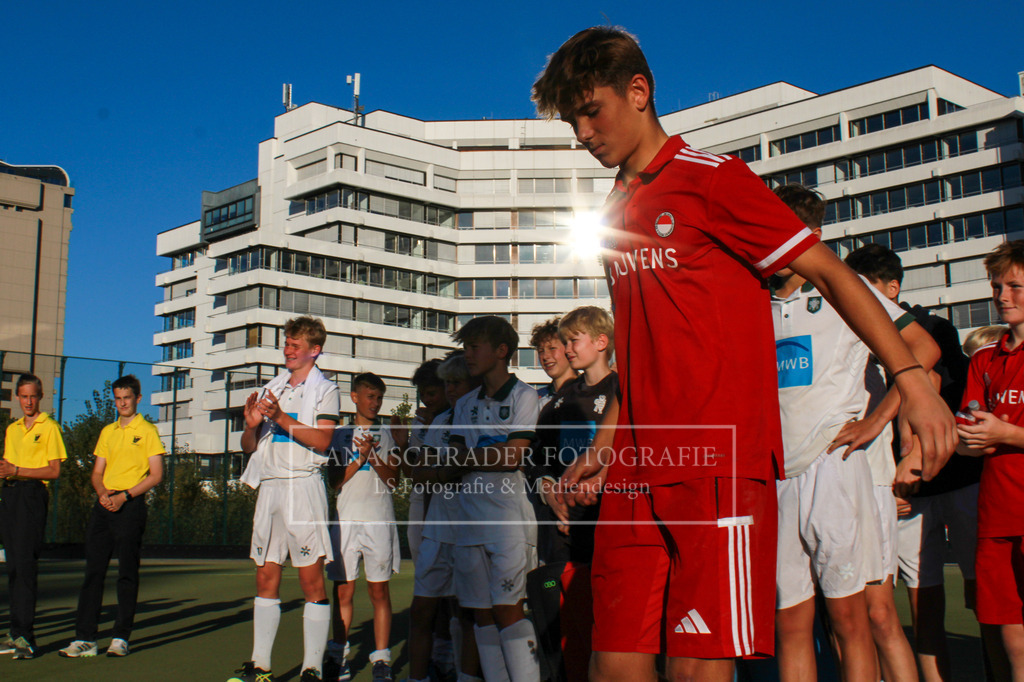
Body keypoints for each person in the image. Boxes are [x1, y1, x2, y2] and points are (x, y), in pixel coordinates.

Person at [533, 26, 956, 682]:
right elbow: (642, 345)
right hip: (639, 466)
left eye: (591, 111)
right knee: (609, 664)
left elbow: (830, 273)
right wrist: (603, 446)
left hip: (717, 460)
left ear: (638, 91)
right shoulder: (616, 206)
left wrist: (912, 379)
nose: (583, 133)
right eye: (572, 121)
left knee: (696, 670)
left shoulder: (713, 179)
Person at [770, 185, 932, 682]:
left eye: (780, 231)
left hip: (834, 467)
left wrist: (876, 421)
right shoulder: (753, 300)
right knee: (790, 622)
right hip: (776, 472)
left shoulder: (844, 288)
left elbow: (921, 349)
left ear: (811, 237)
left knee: (850, 617)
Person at [845, 243, 984, 682]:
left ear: (891, 288)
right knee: (915, 610)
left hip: (951, 480)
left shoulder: (932, 328)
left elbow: (931, 387)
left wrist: (913, 463)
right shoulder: (852, 335)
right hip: (902, 490)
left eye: (866, 290)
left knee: (981, 596)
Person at [230, 316, 341, 682]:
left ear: (314, 350)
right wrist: (250, 425)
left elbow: (323, 442)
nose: (287, 350)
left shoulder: (326, 389)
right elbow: (250, 447)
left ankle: (312, 669)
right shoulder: (271, 387)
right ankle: (259, 666)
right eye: (287, 343)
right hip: (271, 488)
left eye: (295, 345)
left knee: (311, 582)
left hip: (302, 489)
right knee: (265, 577)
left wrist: (279, 416)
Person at [448, 315, 541, 681]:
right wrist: (484, 455)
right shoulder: (464, 403)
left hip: (508, 523)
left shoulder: (525, 395)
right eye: (466, 347)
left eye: (475, 347)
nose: (468, 354)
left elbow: (513, 456)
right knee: (480, 614)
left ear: (501, 351)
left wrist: (467, 459)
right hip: (469, 523)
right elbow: (455, 460)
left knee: (507, 610)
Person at [528, 305, 618, 682]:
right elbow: (537, 459)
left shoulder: (623, 389)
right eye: (562, 342)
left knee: (612, 623)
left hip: (611, 524)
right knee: (572, 624)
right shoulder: (558, 403)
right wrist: (549, 490)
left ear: (601, 342)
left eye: (571, 341)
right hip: (566, 529)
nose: (565, 349)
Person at [58, 374, 165, 659]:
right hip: (104, 507)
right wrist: (103, 492)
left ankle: (120, 637)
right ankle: (85, 639)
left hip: (130, 507)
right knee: (93, 572)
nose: (121, 403)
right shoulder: (108, 431)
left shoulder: (148, 431)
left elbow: (156, 475)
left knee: (127, 573)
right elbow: (97, 473)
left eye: (126, 398)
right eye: (117, 399)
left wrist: (124, 496)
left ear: (138, 399)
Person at [956, 240, 1024, 681]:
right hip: (998, 512)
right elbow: (965, 439)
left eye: (1015, 286)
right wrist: (970, 440)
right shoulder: (984, 358)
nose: (1002, 295)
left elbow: (1001, 432)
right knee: (1012, 634)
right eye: (997, 286)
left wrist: (1007, 434)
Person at [406, 351, 484, 682]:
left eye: (456, 382)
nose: (450, 389)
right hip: (437, 530)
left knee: (468, 614)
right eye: (447, 383)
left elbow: (466, 465)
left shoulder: (484, 415)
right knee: (422, 610)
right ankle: (418, 677)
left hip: (471, 528)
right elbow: (418, 471)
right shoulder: (438, 422)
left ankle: (463, 674)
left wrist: (443, 468)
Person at [325, 372, 401, 682]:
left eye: (379, 398)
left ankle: (381, 659)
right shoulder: (338, 435)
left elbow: (394, 481)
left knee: (379, 591)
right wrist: (359, 458)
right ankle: (338, 655)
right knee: (343, 592)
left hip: (379, 521)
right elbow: (334, 481)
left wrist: (374, 456)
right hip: (345, 522)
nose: (375, 403)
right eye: (370, 396)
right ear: (354, 397)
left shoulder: (388, 435)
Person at [0, 373, 66, 660]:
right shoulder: (12, 429)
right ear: (17, 397)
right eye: (24, 396)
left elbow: (54, 471)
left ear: (40, 397)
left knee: (25, 566)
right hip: (11, 496)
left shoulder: (49, 427)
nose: (28, 401)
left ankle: (27, 637)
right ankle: (16, 632)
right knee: (13, 567)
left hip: (32, 496)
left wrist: (17, 471)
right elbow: (7, 467)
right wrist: (8, 474)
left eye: (33, 396)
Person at [531, 318, 577, 407]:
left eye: (552, 348)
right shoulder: (536, 399)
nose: (545, 356)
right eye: (541, 351)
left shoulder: (588, 392)